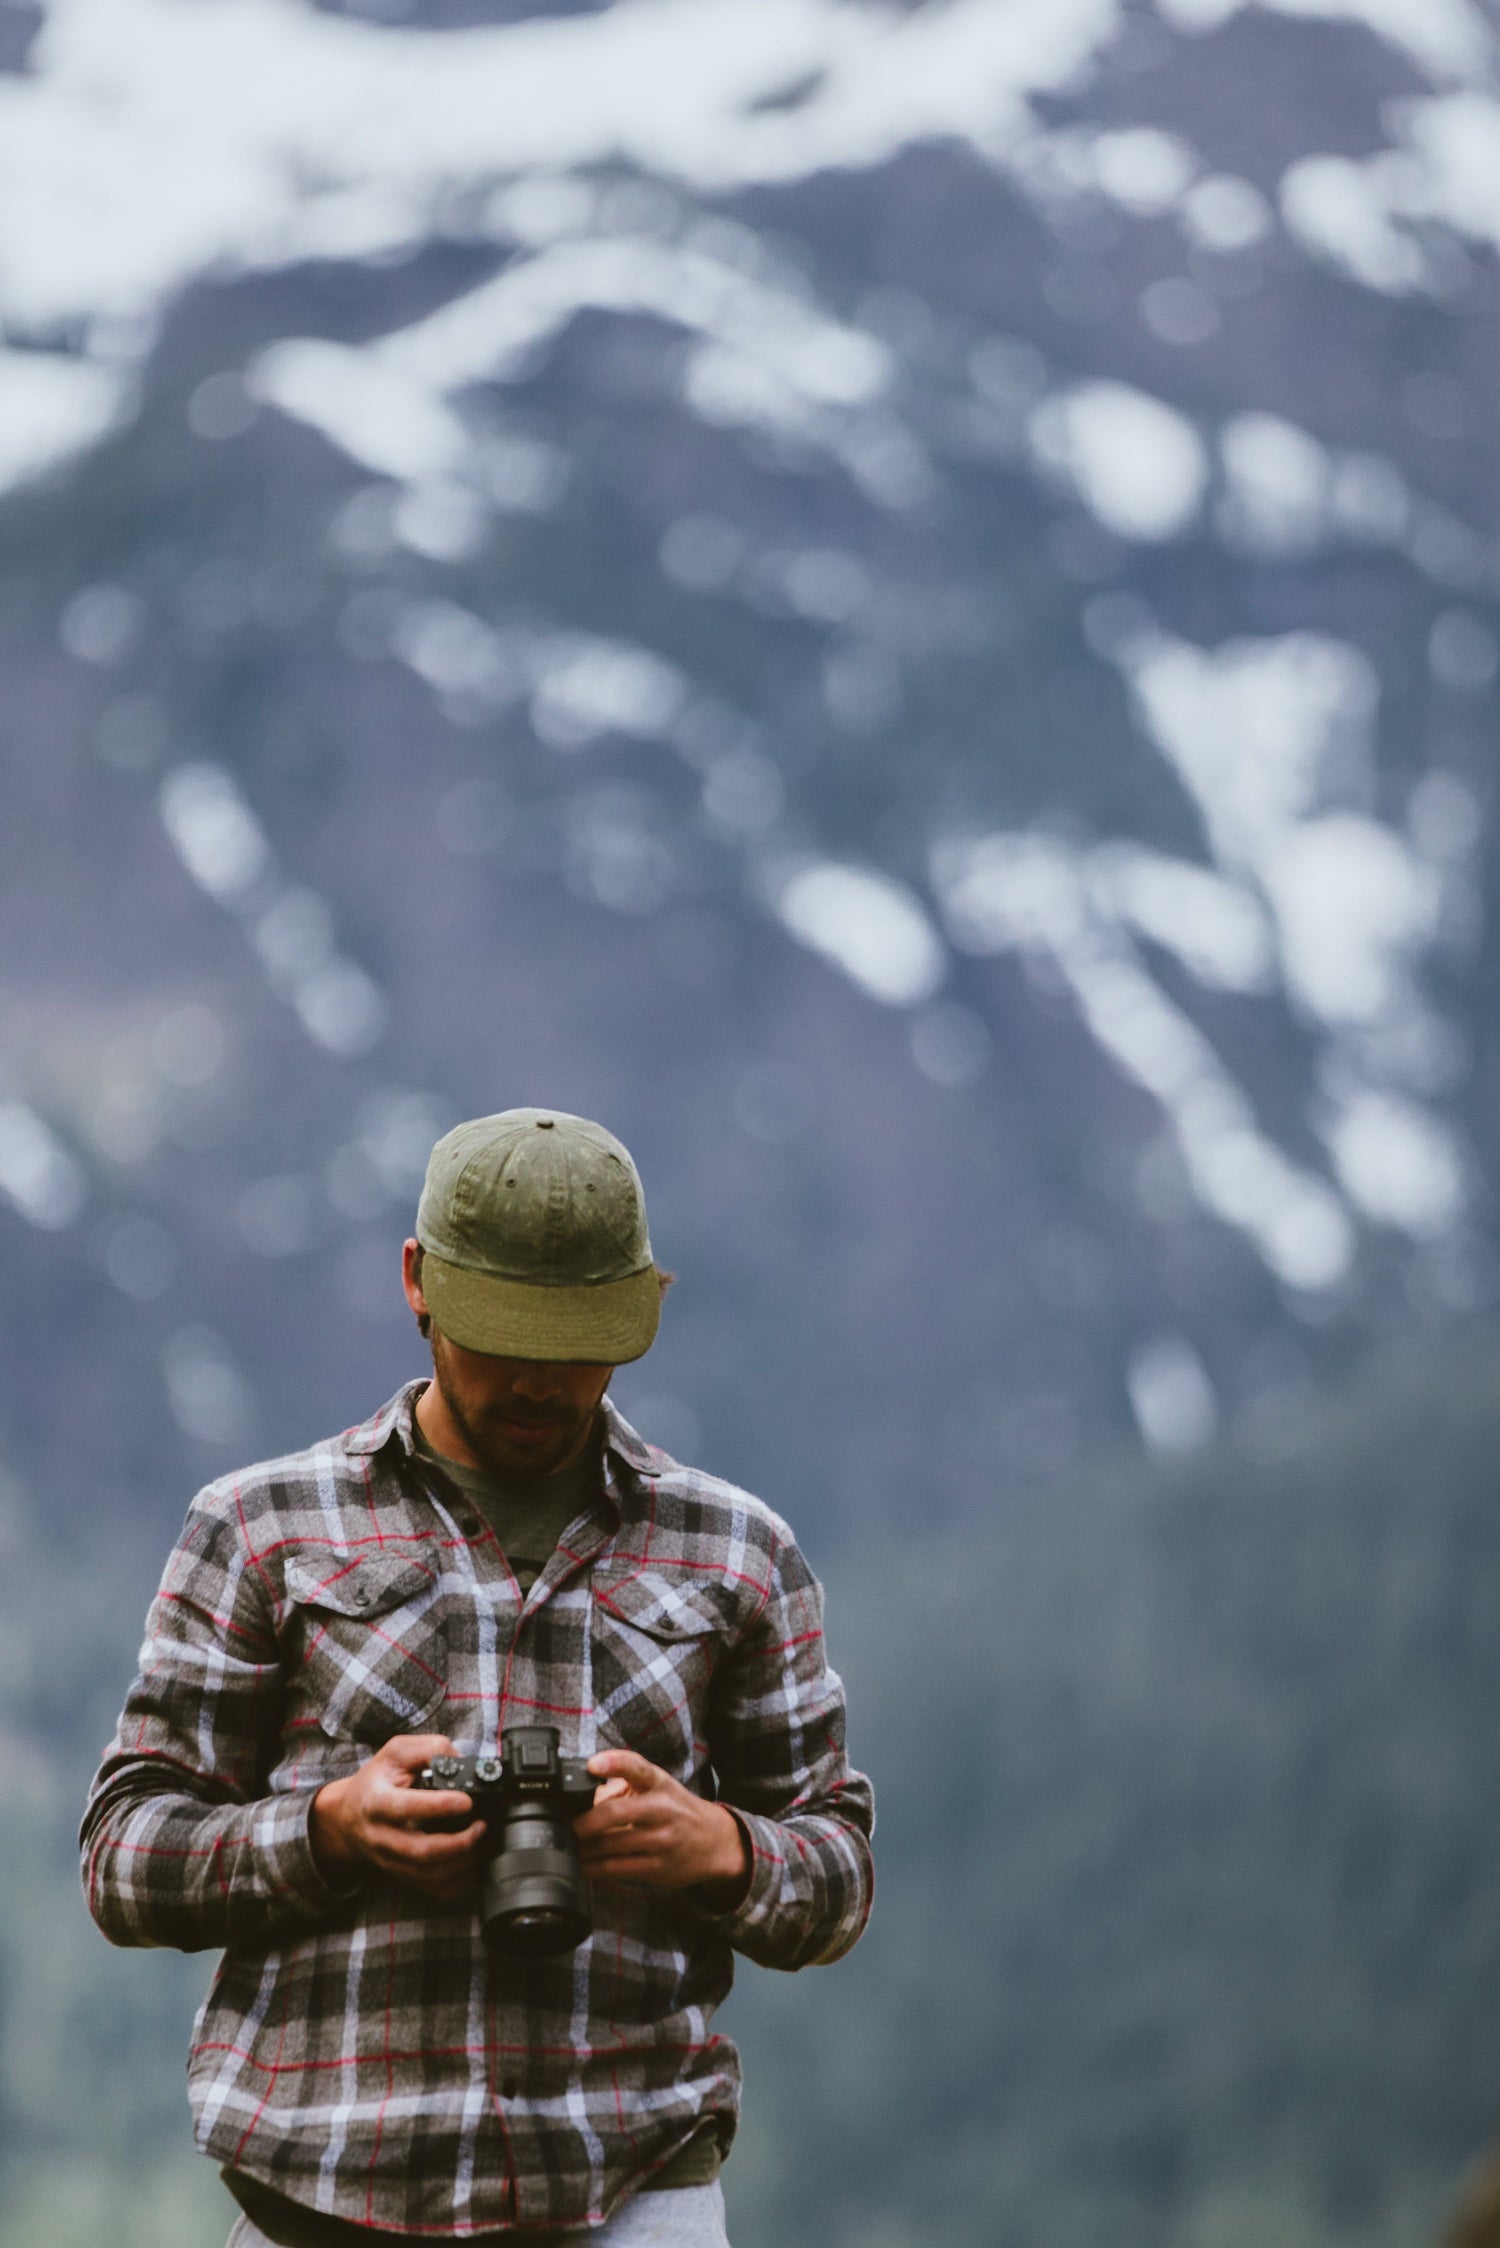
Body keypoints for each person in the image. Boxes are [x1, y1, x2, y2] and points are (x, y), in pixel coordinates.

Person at [81, 1108, 874, 2246]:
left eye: (577, 1345)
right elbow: (121, 1858)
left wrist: (720, 1846)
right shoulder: (258, 1528)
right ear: (417, 1283)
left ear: (645, 1302)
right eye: (500, 1339)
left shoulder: (739, 1552)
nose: (539, 1384)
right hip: (322, 2191)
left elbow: (837, 1870)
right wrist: (332, 1829)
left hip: (634, 2177)